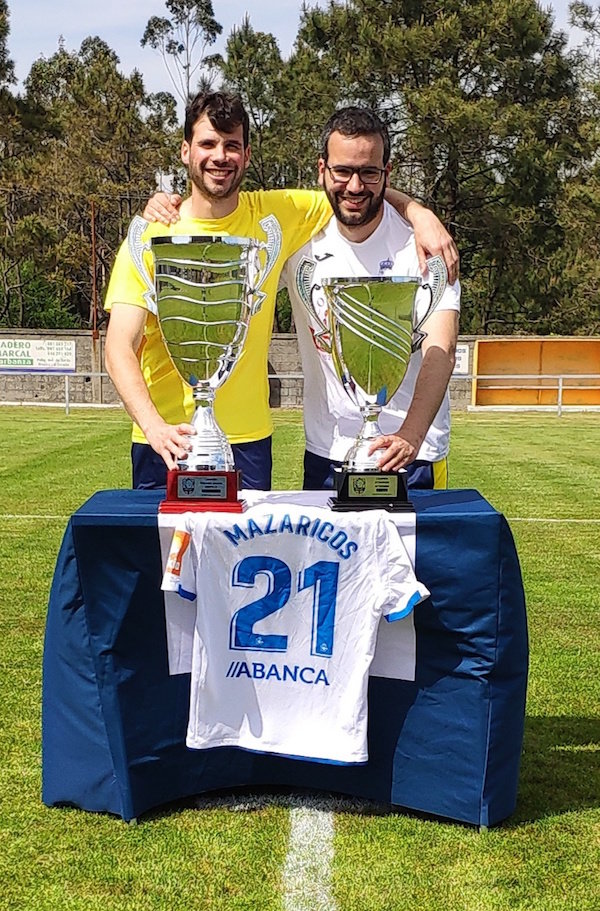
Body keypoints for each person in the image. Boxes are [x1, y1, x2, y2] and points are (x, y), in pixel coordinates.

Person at [107, 91, 458, 490]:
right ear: (185, 151)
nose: (220, 157)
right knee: (163, 555)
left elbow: (353, 192)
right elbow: (119, 345)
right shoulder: (153, 234)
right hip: (166, 441)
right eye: (207, 144)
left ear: (247, 154)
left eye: (232, 146)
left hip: (250, 443)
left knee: (247, 555)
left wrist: (419, 212)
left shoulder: (278, 217)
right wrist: (153, 427)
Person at [282, 107, 460, 490]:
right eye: (343, 171)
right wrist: (166, 208)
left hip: (414, 454)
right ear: (322, 170)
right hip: (327, 452)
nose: (355, 186)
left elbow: (441, 348)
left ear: (386, 174)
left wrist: (411, 436)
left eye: (369, 172)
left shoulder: (426, 245)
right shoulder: (298, 242)